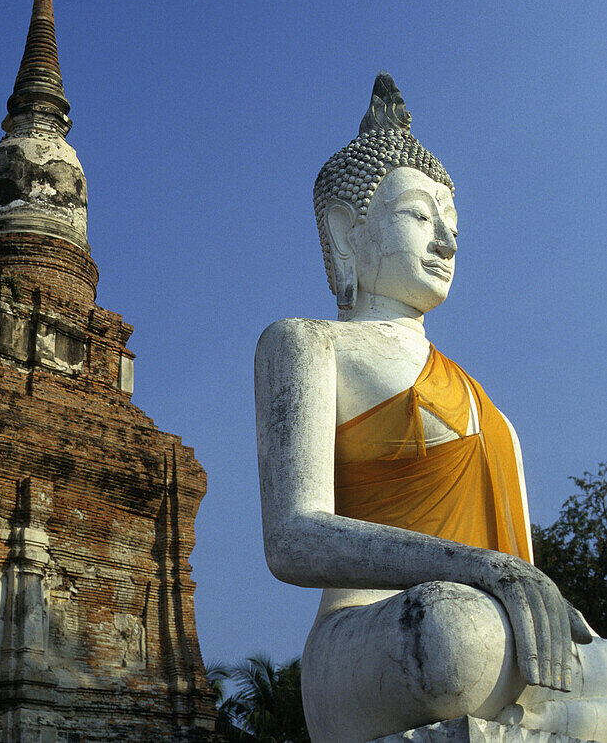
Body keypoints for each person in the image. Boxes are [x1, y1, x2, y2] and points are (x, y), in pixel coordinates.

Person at [255, 74, 607, 743]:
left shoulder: (489, 410)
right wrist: (479, 568)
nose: (445, 241)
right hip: (374, 633)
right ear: (343, 230)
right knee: (453, 632)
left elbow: (525, 580)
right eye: (419, 215)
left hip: (499, 636)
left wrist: (520, 591)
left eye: (451, 223)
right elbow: (292, 538)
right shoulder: (304, 343)